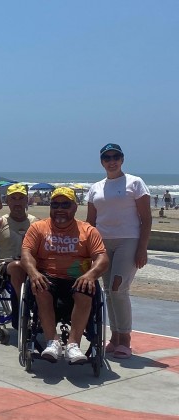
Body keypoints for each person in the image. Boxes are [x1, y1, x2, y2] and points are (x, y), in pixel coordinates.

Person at [21, 187, 109, 365]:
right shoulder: (38, 228)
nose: (59, 209)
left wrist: (91, 275)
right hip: (48, 276)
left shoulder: (88, 230)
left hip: (77, 278)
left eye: (65, 204)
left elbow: (102, 258)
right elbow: (26, 254)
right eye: (55, 205)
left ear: (75, 207)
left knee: (86, 289)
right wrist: (34, 273)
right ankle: (52, 342)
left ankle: (73, 345)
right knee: (40, 286)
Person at [86, 143, 151, 359]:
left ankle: (125, 339)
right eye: (107, 157)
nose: (111, 161)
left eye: (116, 156)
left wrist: (142, 248)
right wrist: (87, 249)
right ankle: (114, 337)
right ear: (102, 162)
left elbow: (146, 218)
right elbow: (90, 222)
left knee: (118, 289)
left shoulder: (135, 183)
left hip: (128, 241)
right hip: (102, 243)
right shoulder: (96, 187)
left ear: (122, 159)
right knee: (107, 291)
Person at [0, 183, 37, 326]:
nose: (17, 202)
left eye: (21, 198)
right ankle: (20, 312)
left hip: (32, 265)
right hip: (6, 266)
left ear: (27, 200)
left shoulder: (36, 223)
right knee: (18, 266)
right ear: (7, 201)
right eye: (13, 198)